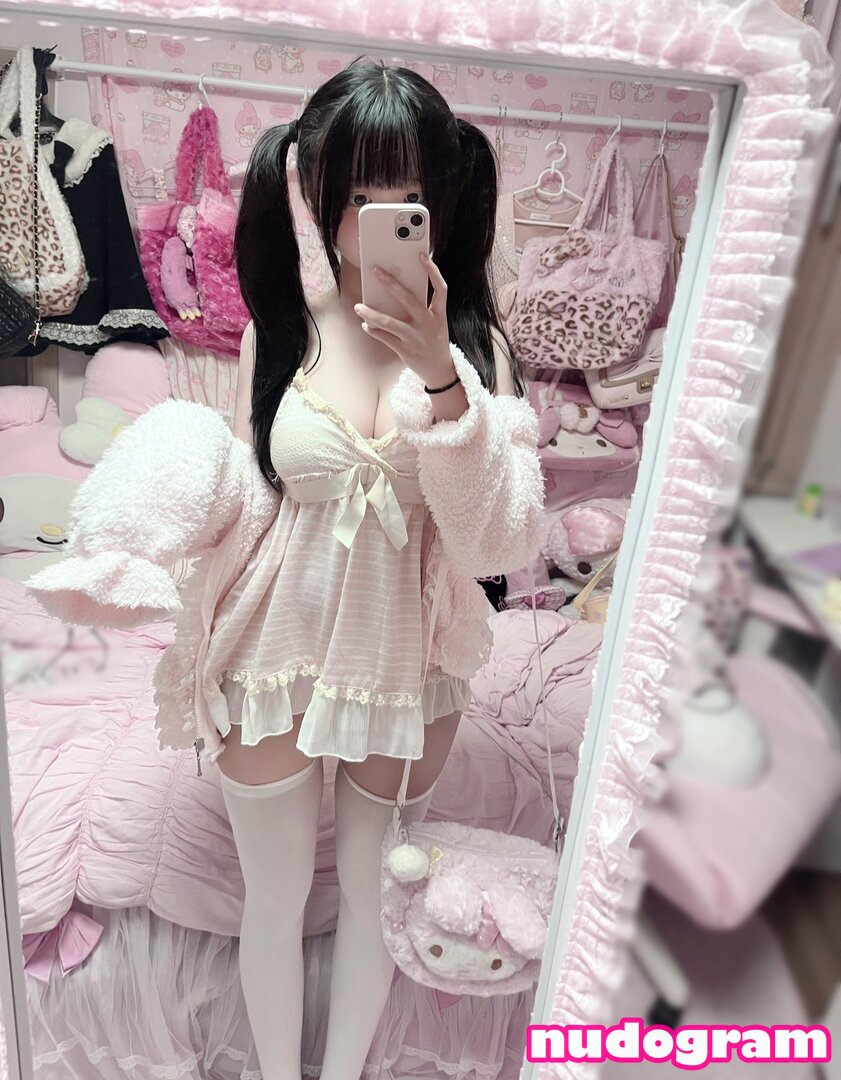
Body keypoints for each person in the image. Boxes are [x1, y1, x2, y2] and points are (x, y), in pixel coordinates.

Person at [215, 56, 529, 1080]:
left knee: (371, 891)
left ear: (442, 201)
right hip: (273, 648)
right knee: (271, 897)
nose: (377, 221)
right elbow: (242, 505)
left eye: (406, 199)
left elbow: (491, 543)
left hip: (408, 656)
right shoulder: (279, 334)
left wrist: (440, 377)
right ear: (314, 191)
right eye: (356, 196)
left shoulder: (476, 355)